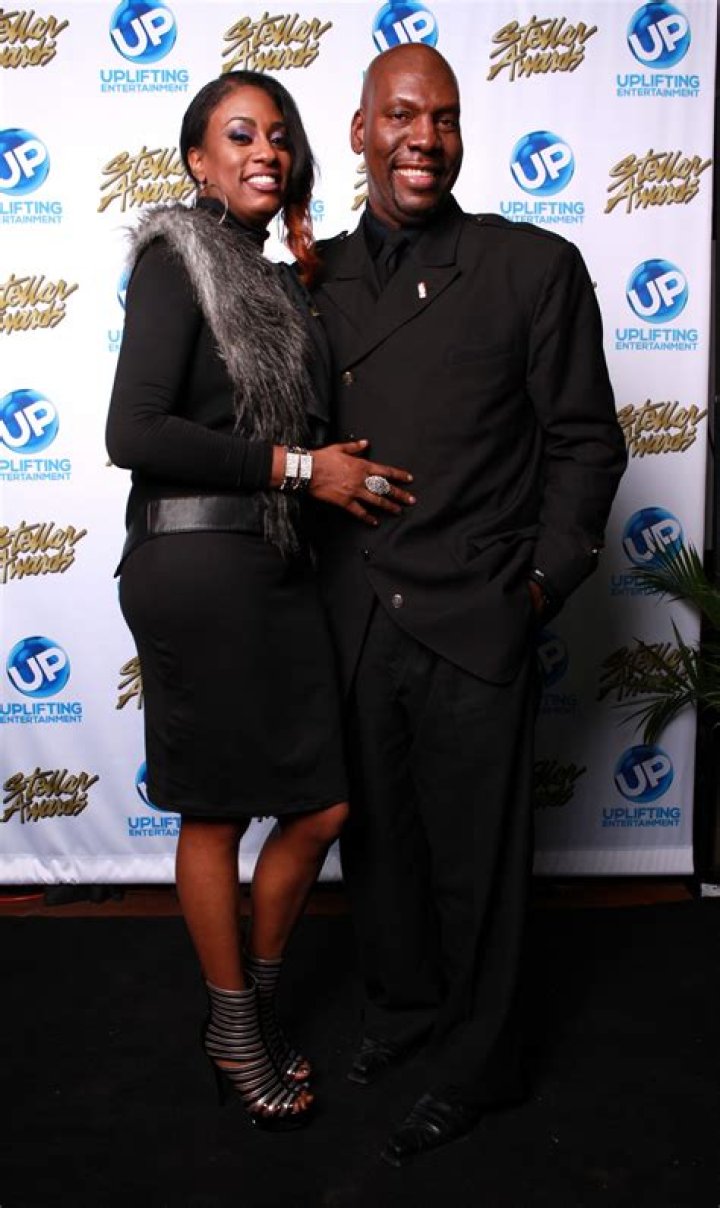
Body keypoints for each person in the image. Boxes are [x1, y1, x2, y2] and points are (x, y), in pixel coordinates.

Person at [310, 43, 628, 1164]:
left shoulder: (529, 266)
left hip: (473, 615)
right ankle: (402, 1012)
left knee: (478, 866)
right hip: (353, 613)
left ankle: (478, 1066)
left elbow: (587, 442)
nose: (423, 138)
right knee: (380, 848)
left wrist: (536, 587)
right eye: (401, 116)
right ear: (360, 133)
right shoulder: (311, 275)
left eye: (442, 118)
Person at [105, 70, 414, 1132]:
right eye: (239, 135)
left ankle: (255, 1006)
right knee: (218, 809)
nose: (264, 151)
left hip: (276, 567)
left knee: (321, 804)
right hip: (196, 568)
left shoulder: (276, 277)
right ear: (198, 161)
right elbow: (135, 433)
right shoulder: (176, 257)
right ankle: (236, 1028)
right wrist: (300, 468)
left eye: (278, 135)